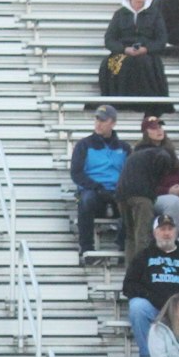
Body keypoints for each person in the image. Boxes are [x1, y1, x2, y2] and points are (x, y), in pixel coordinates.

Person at [122, 214, 179, 357]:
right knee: (137, 307)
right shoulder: (144, 256)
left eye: (170, 229)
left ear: (175, 232)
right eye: (162, 229)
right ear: (154, 232)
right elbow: (129, 285)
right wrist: (150, 296)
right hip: (154, 308)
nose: (166, 233)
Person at [100, 0, 171, 117]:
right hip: (124, 52)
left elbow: (161, 40)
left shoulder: (154, 14)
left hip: (147, 53)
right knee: (115, 63)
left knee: (143, 62)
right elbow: (109, 40)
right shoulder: (120, 14)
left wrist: (146, 49)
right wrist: (124, 49)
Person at [72, 106, 129, 259]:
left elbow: (130, 174)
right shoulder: (83, 145)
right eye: (97, 119)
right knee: (86, 200)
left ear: (113, 123)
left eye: (103, 120)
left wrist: (120, 189)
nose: (98, 123)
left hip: (117, 192)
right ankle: (86, 248)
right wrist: (96, 187)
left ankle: (124, 248)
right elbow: (76, 173)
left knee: (133, 202)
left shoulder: (124, 148)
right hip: (94, 191)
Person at [112, 141, 179, 260]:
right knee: (142, 235)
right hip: (141, 196)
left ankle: (131, 271)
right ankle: (142, 269)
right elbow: (161, 161)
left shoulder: (139, 154)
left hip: (121, 195)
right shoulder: (164, 155)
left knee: (130, 235)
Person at [139, 118, 179, 239]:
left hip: (173, 189)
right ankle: (170, 243)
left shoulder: (169, 149)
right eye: (154, 128)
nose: (159, 130)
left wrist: (177, 188)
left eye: (160, 127)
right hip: (153, 195)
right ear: (145, 132)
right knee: (174, 202)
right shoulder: (140, 154)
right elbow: (143, 185)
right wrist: (167, 191)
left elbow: (176, 175)